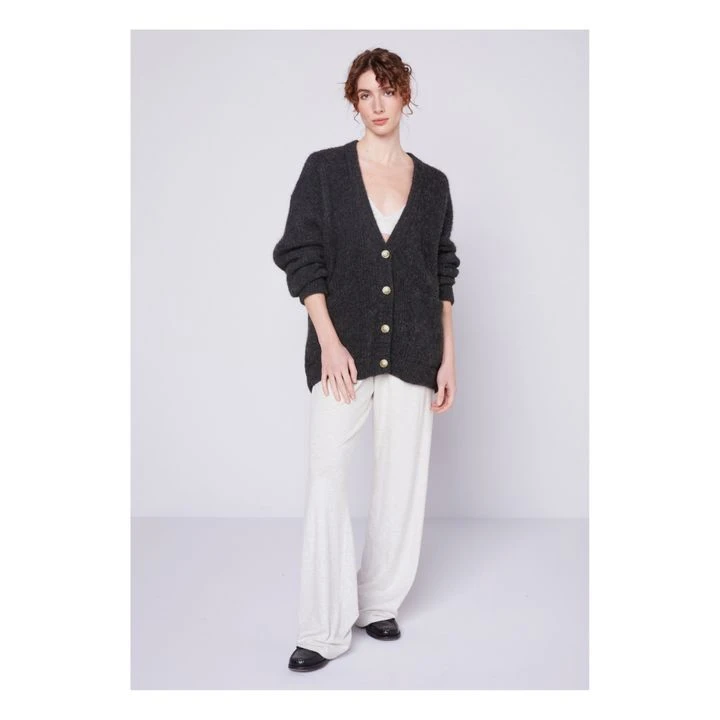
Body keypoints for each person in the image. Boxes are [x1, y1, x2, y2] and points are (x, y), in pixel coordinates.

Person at [272, 48, 461, 672]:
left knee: (401, 480)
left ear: (406, 95)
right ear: (353, 102)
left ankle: (378, 600)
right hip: (342, 350)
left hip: (415, 349)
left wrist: (448, 356)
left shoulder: (433, 184)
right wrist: (328, 340)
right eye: (365, 94)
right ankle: (322, 628)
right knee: (327, 476)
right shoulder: (325, 171)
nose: (377, 105)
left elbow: (441, 272)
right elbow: (301, 255)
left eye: (387, 91)